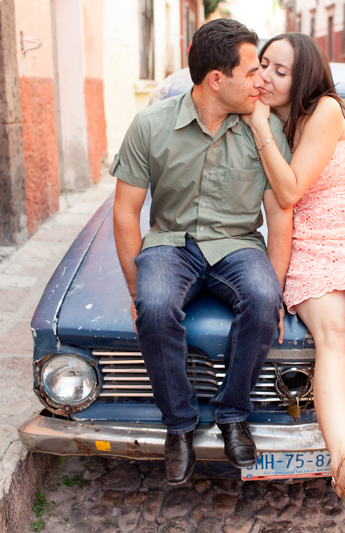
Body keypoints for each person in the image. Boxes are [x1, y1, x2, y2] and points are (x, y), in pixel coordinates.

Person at [110, 19, 293, 485]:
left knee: (261, 299)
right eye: (252, 71)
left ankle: (233, 415)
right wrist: (135, 290)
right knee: (152, 306)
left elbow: (279, 213)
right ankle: (180, 425)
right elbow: (126, 212)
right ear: (218, 79)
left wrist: (274, 289)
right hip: (171, 243)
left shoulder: (264, 127)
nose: (262, 81)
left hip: (238, 245)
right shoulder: (151, 125)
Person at [244, 33, 345, 508]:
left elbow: (291, 188)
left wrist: (258, 125)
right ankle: (344, 463)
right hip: (309, 245)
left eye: (282, 70)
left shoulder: (325, 110)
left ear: (305, 79)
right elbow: (281, 208)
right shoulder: (262, 118)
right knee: (333, 337)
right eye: (264, 65)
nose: (269, 77)